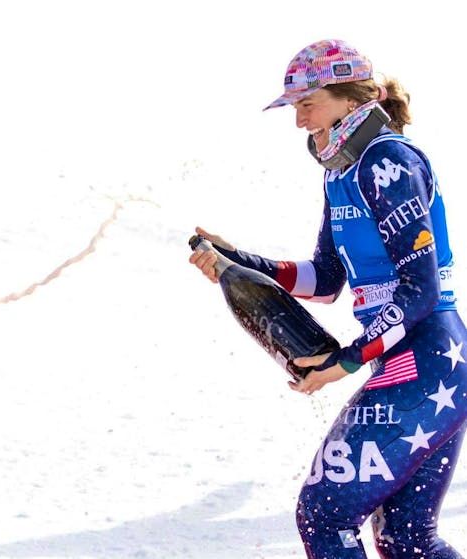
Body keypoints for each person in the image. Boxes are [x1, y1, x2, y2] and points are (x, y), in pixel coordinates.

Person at [189, 39, 467, 558]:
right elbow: (324, 279)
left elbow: (421, 289)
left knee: (325, 515)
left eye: (307, 105)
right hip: (422, 365)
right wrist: (236, 261)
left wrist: (345, 360)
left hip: (428, 360)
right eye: (295, 109)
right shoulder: (341, 172)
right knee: (408, 540)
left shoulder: (388, 161)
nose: (300, 122)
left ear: (349, 99)